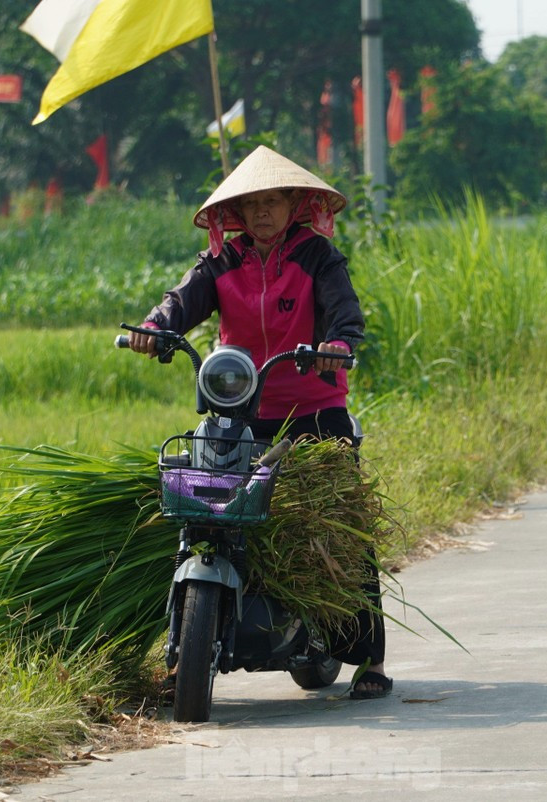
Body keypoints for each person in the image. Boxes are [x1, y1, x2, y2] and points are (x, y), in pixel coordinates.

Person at [127, 145, 391, 700]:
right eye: (253, 204)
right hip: (240, 411)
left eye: (274, 201)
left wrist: (335, 343)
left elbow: (345, 310)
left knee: (343, 526)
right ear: (238, 214)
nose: (264, 212)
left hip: (314, 412)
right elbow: (182, 300)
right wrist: (154, 327)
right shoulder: (222, 261)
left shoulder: (318, 256)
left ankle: (369, 658)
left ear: (294, 204)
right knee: (202, 514)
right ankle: (186, 642)